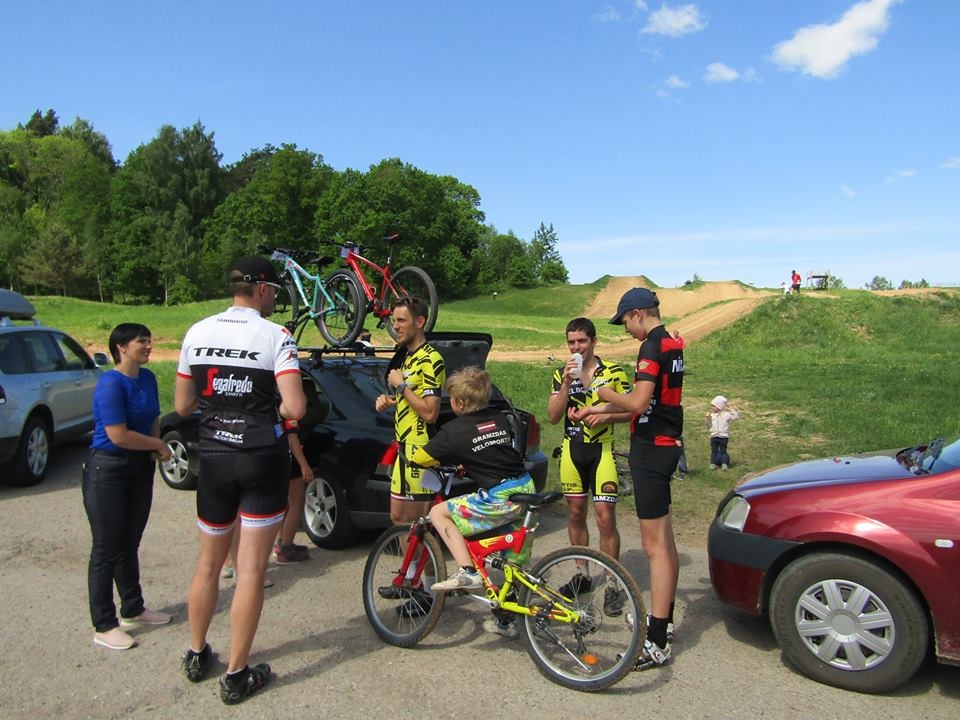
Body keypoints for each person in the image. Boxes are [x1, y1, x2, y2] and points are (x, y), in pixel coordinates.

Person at [175, 256, 305, 705]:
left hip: (213, 456)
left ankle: (196, 654)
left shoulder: (197, 331)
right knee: (250, 570)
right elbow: (295, 408)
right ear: (263, 289)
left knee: (208, 565)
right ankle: (235, 674)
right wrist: (264, 409)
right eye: (275, 292)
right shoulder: (277, 335)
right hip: (260, 455)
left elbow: (183, 405)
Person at [570, 287, 683, 670]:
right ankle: (664, 622)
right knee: (665, 542)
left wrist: (597, 390)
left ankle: (656, 641)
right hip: (665, 442)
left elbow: (636, 402)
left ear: (637, 314)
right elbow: (649, 404)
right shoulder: (671, 342)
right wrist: (600, 412)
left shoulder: (651, 346)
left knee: (655, 547)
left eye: (625, 323)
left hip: (651, 449)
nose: (626, 331)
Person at [414, 367, 535, 639]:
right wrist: (467, 463)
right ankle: (506, 620)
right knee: (512, 560)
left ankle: (467, 571)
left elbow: (421, 458)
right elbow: (489, 451)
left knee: (439, 513)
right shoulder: (498, 418)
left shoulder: (454, 430)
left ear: (459, 403)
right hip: (525, 486)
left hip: (501, 496)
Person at [83, 323, 173, 651]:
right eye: (141, 341)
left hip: (139, 468)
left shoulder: (147, 378)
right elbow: (117, 434)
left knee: (129, 542)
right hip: (108, 469)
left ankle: (133, 608)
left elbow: (153, 418)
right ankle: (104, 624)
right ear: (121, 347)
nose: (149, 346)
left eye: (149, 340)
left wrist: (154, 442)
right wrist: (158, 445)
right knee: (106, 547)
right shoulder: (110, 383)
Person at [546, 318, 631, 616]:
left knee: (605, 518)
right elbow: (553, 416)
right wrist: (566, 383)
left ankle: (612, 583)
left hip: (602, 450)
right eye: (571, 342)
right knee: (576, 513)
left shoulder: (613, 372)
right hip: (572, 451)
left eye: (581, 341)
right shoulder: (561, 373)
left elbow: (632, 409)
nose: (576, 347)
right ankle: (581, 575)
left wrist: (606, 416)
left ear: (594, 341)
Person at [373, 295, 445, 615]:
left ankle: (428, 592)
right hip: (402, 450)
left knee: (419, 528)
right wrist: (390, 399)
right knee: (399, 520)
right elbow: (410, 400)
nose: (395, 327)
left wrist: (401, 387)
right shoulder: (407, 358)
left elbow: (430, 412)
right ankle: (411, 580)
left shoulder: (431, 359)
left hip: (421, 453)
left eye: (401, 321)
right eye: (394, 321)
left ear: (419, 322)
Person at [274, 378, 320, 564]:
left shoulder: (268, 399)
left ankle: (280, 542)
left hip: (272, 456)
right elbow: (292, 438)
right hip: (288, 458)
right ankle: (286, 548)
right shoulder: (287, 404)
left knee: (282, 504)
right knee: (296, 501)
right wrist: (304, 464)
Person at [706, 395, 739, 470]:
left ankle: (724, 464)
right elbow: (708, 426)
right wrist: (707, 420)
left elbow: (736, 417)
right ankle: (713, 464)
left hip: (723, 437)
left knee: (723, 451)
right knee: (714, 451)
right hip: (714, 436)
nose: (712, 408)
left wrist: (731, 409)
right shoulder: (712, 415)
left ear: (719, 406)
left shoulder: (726, 415)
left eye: (714, 406)